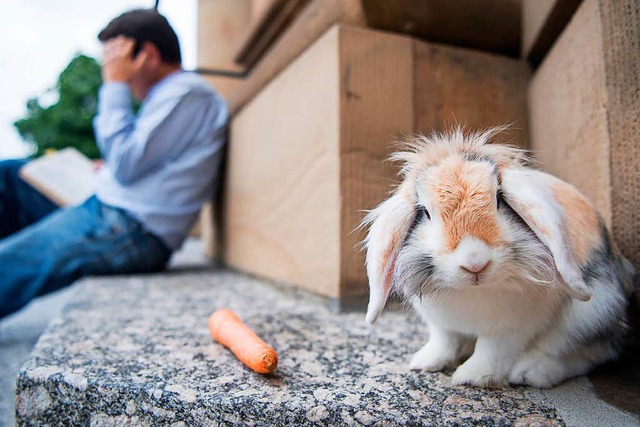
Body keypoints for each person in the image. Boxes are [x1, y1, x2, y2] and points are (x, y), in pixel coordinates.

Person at [0, 9, 228, 319]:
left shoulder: (188, 92)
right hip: (110, 209)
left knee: (9, 264)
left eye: (115, 59)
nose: (112, 69)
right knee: (12, 175)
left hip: (130, 227)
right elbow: (133, 163)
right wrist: (105, 168)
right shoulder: (169, 95)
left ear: (146, 54)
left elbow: (125, 163)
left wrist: (115, 86)